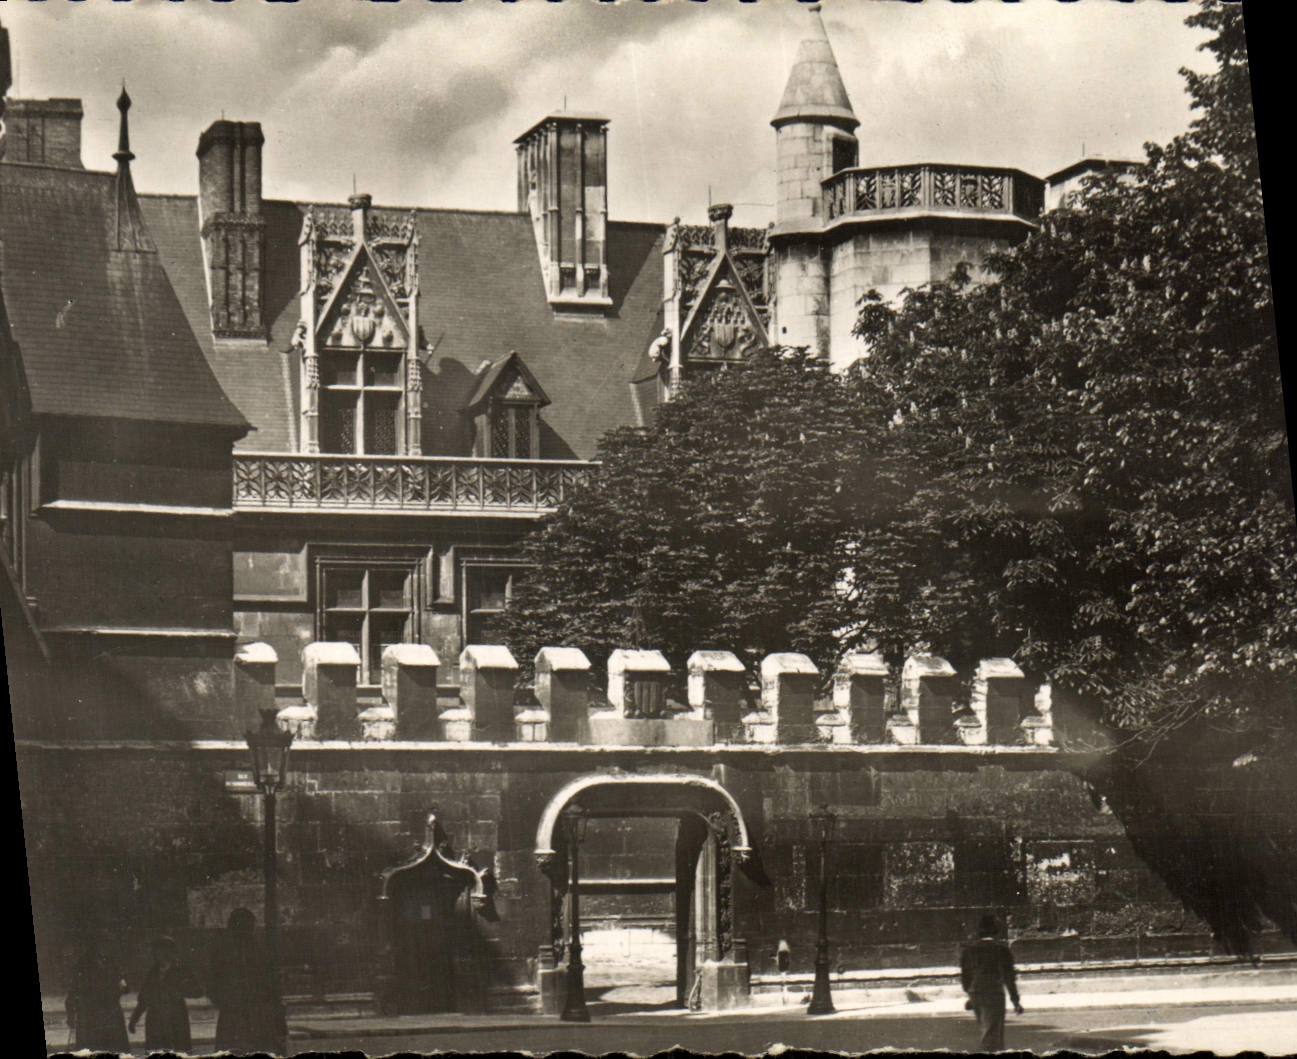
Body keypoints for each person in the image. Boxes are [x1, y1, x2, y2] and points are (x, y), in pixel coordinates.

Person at [207, 908, 287, 1055]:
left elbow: (270, 982)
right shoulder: (223, 951)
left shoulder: (259, 950)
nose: (245, 930)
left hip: (258, 1011)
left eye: (248, 926)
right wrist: (223, 1001)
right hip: (234, 1012)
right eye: (241, 926)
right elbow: (212, 981)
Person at [959, 913, 1023, 1052]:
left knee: (986, 1029)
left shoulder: (968, 951)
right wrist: (1015, 1001)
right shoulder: (1002, 950)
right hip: (994, 993)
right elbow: (1009, 978)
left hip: (975, 993)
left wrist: (970, 995)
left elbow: (965, 977)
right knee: (993, 1034)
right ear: (996, 931)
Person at [65, 930, 130, 1053]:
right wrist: (70, 1014)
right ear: (95, 945)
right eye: (102, 944)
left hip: (111, 1015)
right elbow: (73, 991)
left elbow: (124, 985)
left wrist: (123, 986)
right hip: (90, 1016)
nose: (105, 948)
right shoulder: (83, 964)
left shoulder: (112, 963)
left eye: (108, 944)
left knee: (115, 1050)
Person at [128, 935, 193, 1054]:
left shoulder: (181, 972)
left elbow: (198, 990)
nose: (155, 954)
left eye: (159, 951)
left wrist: (182, 991)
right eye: (155, 951)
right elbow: (143, 1000)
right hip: (156, 1023)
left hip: (176, 1021)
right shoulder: (151, 974)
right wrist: (134, 1020)